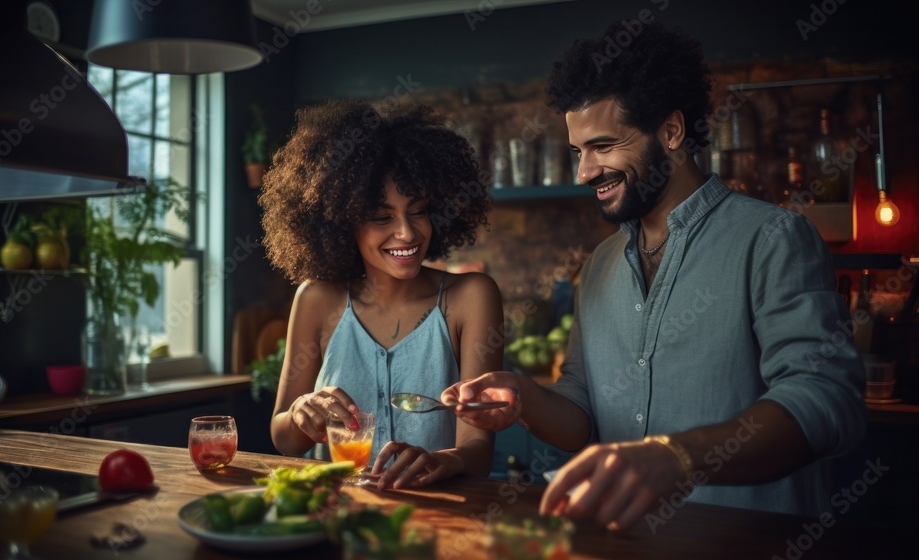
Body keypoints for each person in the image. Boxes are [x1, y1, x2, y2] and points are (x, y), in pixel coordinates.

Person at [442, 21, 867, 530]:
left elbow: (826, 401)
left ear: (670, 131)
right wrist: (523, 398)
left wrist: (677, 458)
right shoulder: (598, 264)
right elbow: (582, 414)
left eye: (602, 146)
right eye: (579, 152)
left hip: (749, 543)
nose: (584, 172)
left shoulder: (773, 239)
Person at [261, 99, 503, 490]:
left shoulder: (471, 297)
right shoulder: (316, 299)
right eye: (381, 217)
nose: (407, 233)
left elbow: (477, 451)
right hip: (334, 518)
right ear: (341, 222)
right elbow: (284, 439)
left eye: (419, 211)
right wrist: (301, 414)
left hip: (436, 520)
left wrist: (441, 461)